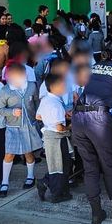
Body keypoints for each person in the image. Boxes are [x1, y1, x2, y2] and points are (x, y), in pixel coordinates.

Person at [73, 42, 112, 224]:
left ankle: (96, 213)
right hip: (98, 120)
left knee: (90, 167)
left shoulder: (95, 67)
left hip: (79, 117)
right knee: (109, 165)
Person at [0, 63, 42, 198]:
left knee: (28, 153)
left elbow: (36, 103)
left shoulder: (32, 86)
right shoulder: (5, 90)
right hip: (13, 127)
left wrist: (38, 117)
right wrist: (11, 112)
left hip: (29, 125)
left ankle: (30, 176)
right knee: (9, 154)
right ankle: (4, 182)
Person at [36, 73, 73, 203]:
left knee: (57, 165)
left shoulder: (46, 99)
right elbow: (59, 128)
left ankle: (45, 183)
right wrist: (69, 126)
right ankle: (57, 194)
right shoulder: (55, 103)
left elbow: (38, 116)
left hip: (48, 136)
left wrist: (54, 117)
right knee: (59, 166)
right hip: (57, 137)